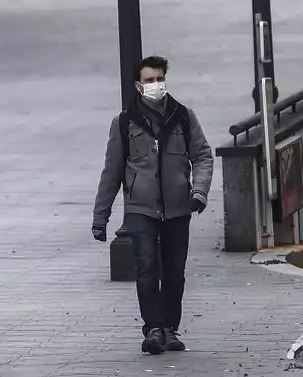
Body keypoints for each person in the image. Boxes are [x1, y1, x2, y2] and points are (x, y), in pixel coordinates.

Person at [91, 55, 215, 355]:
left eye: (160, 78)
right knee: (146, 268)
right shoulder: (123, 123)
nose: (156, 84)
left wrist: (199, 191)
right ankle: (153, 328)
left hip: (178, 208)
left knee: (174, 271)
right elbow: (112, 170)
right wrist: (100, 216)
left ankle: (170, 328)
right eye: (149, 80)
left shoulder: (184, 116)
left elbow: (202, 156)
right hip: (141, 208)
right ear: (138, 85)